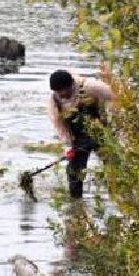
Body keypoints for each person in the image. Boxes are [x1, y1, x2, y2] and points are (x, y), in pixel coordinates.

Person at [48, 66, 115, 199]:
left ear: (71, 84)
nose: (62, 94)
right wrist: (68, 146)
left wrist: (112, 122)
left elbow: (115, 98)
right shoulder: (54, 103)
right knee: (74, 173)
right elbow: (60, 127)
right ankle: (76, 204)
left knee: (114, 168)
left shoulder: (90, 86)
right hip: (78, 140)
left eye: (64, 90)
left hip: (102, 133)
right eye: (58, 91)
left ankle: (117, 197)